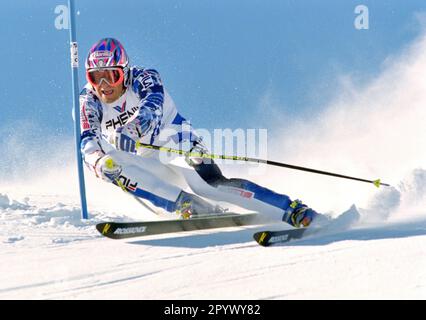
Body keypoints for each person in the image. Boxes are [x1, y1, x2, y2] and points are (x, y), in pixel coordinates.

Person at [80, 37, 320, 227]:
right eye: (95, 78)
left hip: (175, 142)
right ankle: (188, 205)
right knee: (112, 164)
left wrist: (131, 129)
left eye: (111, 76)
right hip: (146, 164)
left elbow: (152, 106)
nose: (104, 86)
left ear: (124, 71)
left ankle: (291, 210)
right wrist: (99, 164)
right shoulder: (88, 101)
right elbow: (88, 142)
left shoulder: (144, 77)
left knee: (208, 186)